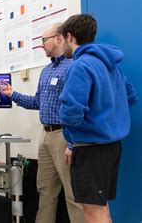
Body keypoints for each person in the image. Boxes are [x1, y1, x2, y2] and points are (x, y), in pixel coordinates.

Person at [0, 24, 84, 223]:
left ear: (59, 39)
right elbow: (38, 102)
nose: (41, 45)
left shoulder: (73, 66)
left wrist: (72, 141)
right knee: (45, 191)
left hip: (65, 135)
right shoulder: (46, 71)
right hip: (45, 135)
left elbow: (77, 105)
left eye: (44, 40)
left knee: (72, 194)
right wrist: (13, 95)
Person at [58, 14, 138, 223]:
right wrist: (107, 116)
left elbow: (72, 112)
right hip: (111, 146)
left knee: (93, 212)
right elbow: (131, 96)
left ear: (70, 37)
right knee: (100, 208)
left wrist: (72, 140)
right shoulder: (111, 64)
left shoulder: (80, 66)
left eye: (62, 40)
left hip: (90, 150)